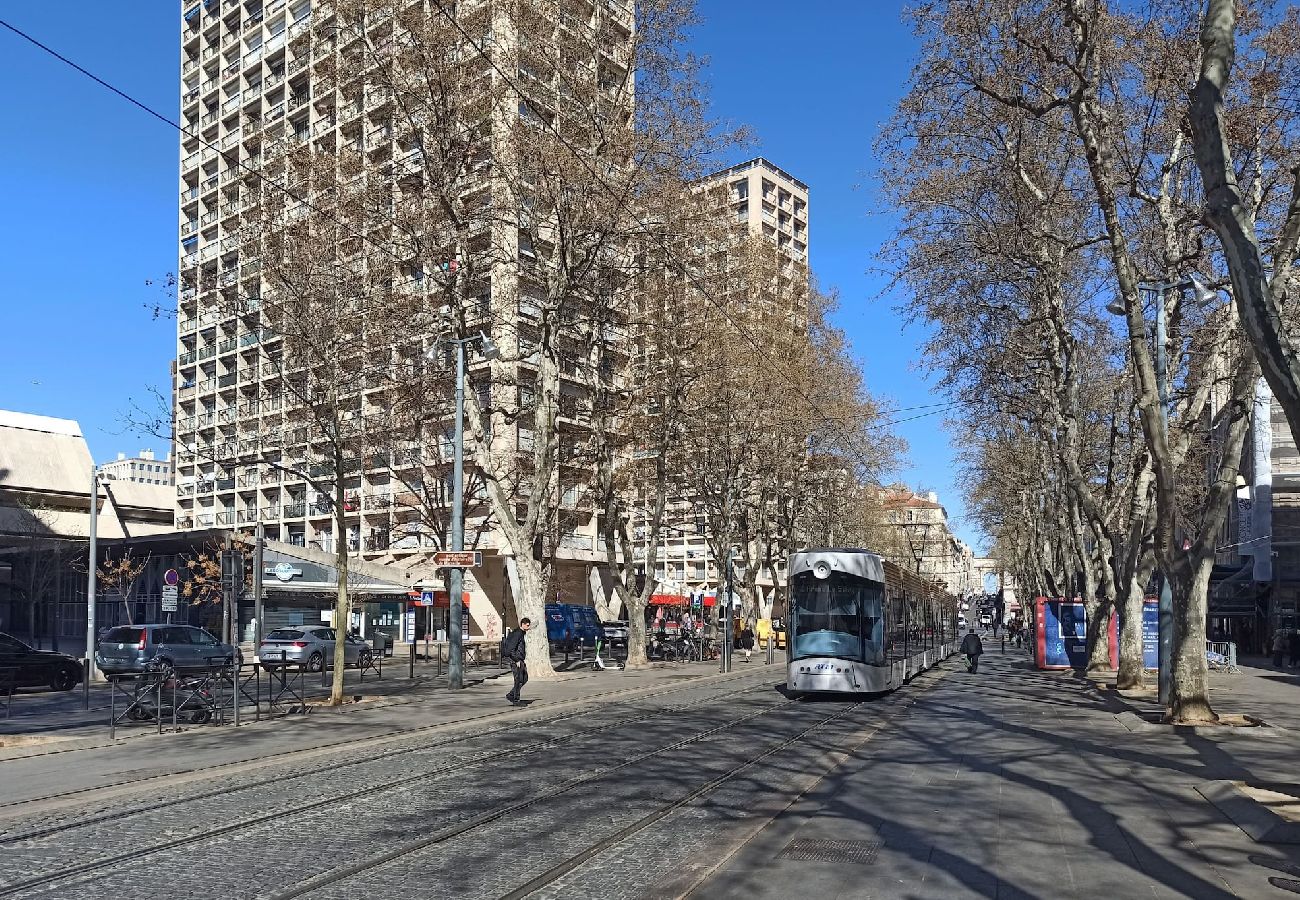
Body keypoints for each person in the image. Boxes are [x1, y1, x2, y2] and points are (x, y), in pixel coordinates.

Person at [503, 617, 532, 705]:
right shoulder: (517, 634)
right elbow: (511, 649)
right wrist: (516, 660)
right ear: (522, 624)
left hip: (519, 659)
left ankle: (511, 694)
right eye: (527, 625)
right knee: (518, 679)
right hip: (516, 660)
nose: (529, 627)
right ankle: (516, 700)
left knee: (524, 678)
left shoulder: (520, 633)